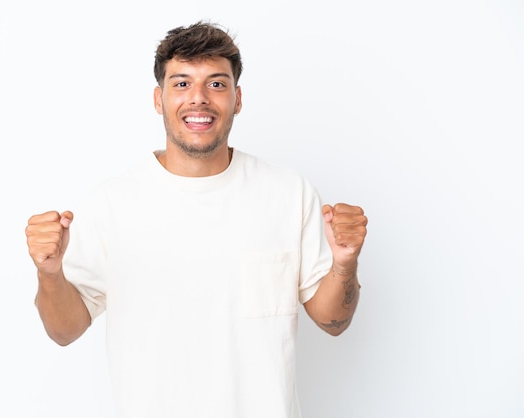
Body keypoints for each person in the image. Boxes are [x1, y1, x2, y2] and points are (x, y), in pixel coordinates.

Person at [25, 20, 368, 418]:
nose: (199, 99)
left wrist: (345, 264)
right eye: (182, 83)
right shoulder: (111, 202)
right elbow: (64, 331)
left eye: (217, 84)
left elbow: (333, 320)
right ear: (159, 98)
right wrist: (50, 272)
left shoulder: (288, 193)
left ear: (237, 99)